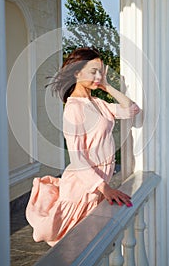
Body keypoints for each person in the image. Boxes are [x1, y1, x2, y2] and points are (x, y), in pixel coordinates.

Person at [26, 47, 141, 246]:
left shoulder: (98, 103)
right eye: (93, 71)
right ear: (77, 73)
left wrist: (106, 87)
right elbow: (78, 158)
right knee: (74, 245)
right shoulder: (73, 108)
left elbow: (132, 110)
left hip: (96, 187)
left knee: (90, 243)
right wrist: (105, 188)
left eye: (101, 71)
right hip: (82, 188)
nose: (98, 76)